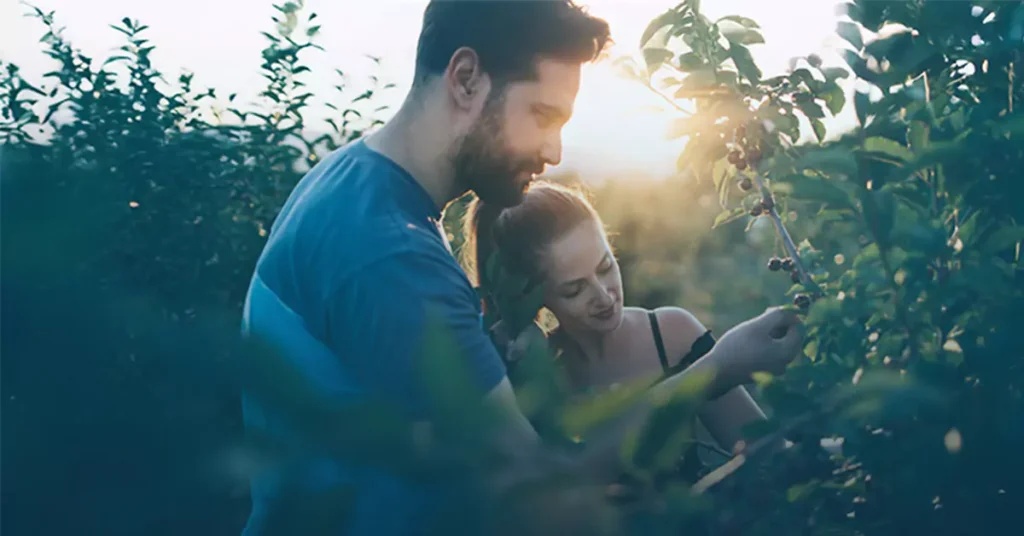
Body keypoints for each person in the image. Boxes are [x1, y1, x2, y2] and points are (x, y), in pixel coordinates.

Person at [237, 1, 802, 535]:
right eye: (542, 114)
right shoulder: (392, 256)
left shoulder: (348, 182)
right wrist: (716, 368)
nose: (555, 151)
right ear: (465, 79)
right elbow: (532, 501)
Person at [461, 180, 783, 488]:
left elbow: (768, 454)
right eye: (574, 289)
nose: (604, 296)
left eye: (605, 267)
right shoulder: (537, 379)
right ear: (533, 295)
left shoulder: (670, 335)